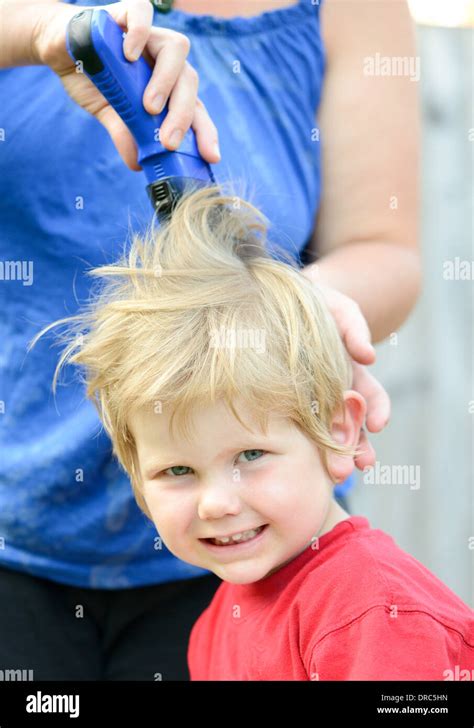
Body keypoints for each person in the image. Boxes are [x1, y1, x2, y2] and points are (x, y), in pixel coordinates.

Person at [0, 0, 416, 679]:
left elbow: (384, 250)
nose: (218, 495)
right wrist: (43, 32)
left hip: (245, 565)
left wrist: (283, 317)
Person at [32, 185, 473, 681]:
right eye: (178, 470)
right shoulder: (218, 621)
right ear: (136, 477)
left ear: (338, 430)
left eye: (250, 455)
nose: (216, 502)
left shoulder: (377, 617)